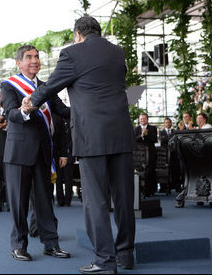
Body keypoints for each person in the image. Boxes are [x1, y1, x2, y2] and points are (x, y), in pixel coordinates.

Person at [25, 16, 137, 274]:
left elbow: (51, 86)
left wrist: (30, 102)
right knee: (123, 199)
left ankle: (104, 261)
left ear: (77, 34)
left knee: (95, 200)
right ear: (97, 31)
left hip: (91, 136)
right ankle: (125, 255)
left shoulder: (72, 54)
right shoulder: (118, 53)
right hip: (120, 132)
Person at [1, 44, 70, 262]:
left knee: (45, 202)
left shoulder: (46, 86)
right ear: (19, 63)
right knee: (19, 203)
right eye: (29, 57)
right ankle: (18, 246)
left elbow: (63, 111)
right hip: (18, 153)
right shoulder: (9, 85)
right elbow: (11, 113)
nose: (35, 60)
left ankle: (51, 244)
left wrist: (89, 109)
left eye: (37, 57)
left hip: (43, 153)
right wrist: (24, 110)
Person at [134, 113, 158, 197]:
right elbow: (134, 140)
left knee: (150, 171)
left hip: (151, 153)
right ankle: (140, 191)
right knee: (140, 172)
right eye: (141, 119)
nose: (142, 120)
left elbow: (154, 139)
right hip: (139, 155)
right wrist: (141, 136)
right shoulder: (136, 129)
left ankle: (150, 191)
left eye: (144, 118)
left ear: (147, 119)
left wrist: (146, 135)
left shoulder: (152, 128)